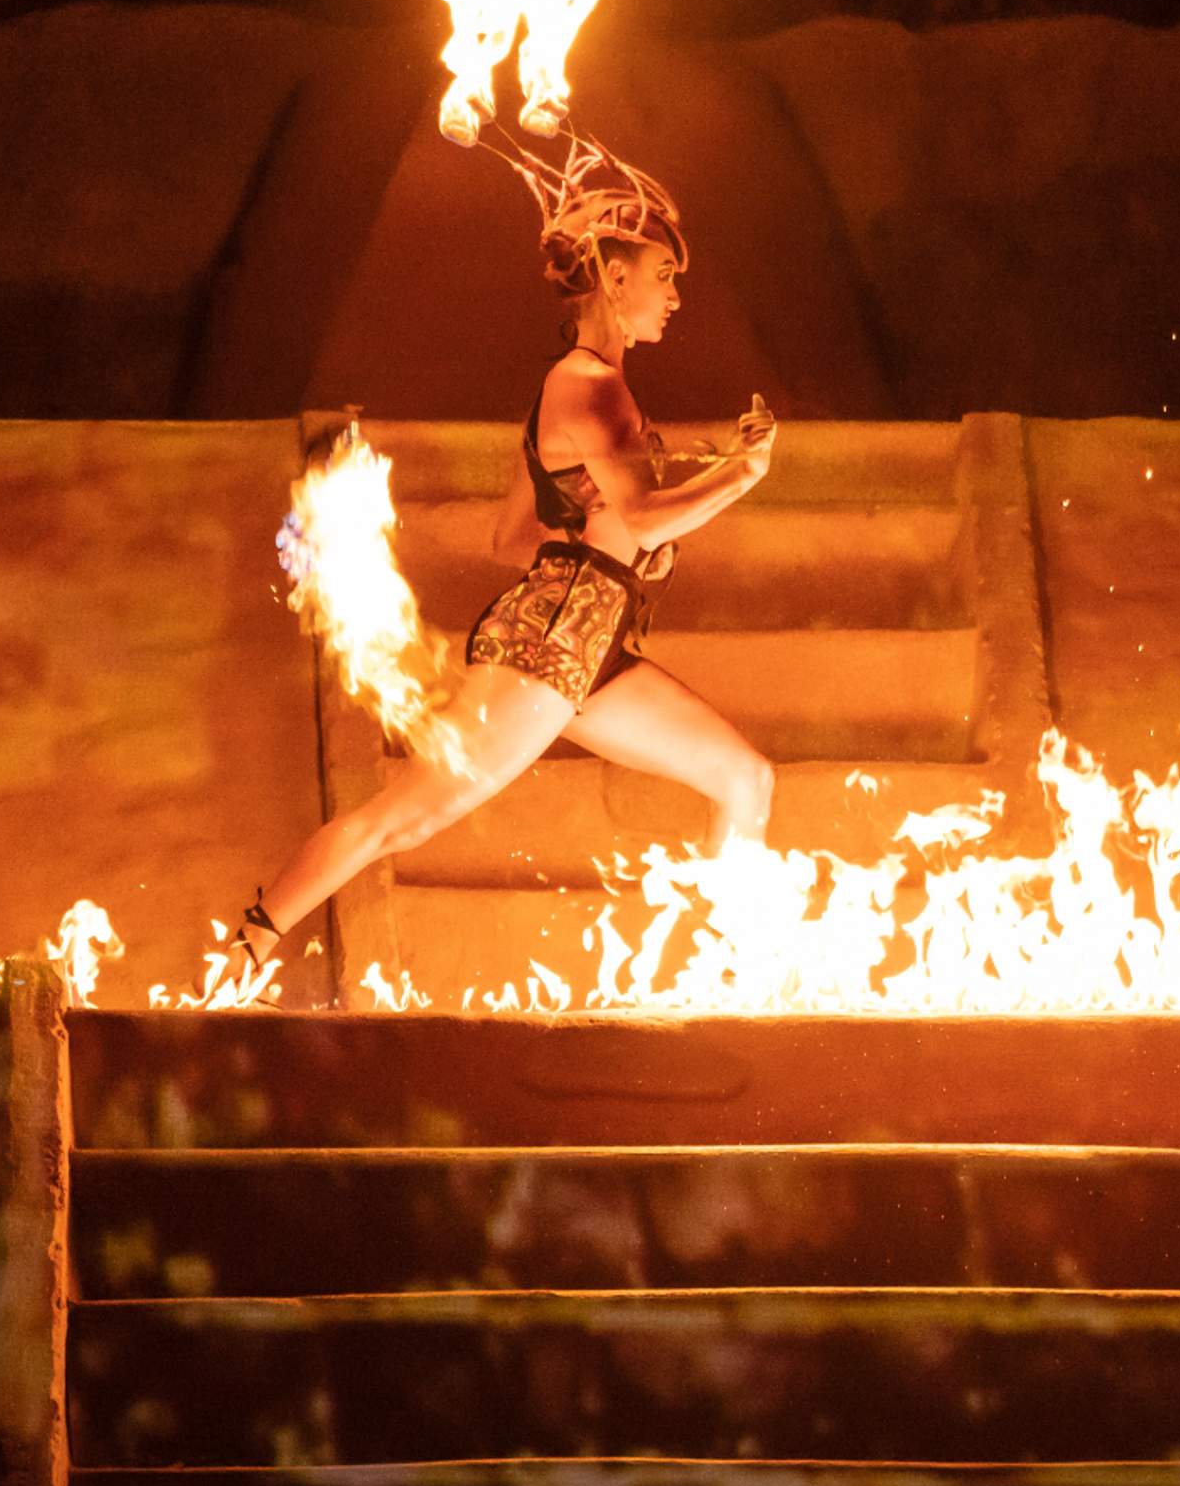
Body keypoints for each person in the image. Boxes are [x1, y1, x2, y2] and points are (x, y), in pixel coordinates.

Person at [237, 136, 780, 972]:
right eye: (663, 273)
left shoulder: (575, 389)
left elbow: (513, 537)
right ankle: (239, 951)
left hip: (587, 645)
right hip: (551, 650)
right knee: (402, 820)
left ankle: (721, 974)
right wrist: (739, 474)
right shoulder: (592, 388)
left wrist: (601, 527)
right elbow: (643, 520)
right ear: (614, 277)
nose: (675, 294)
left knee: (744, 779)